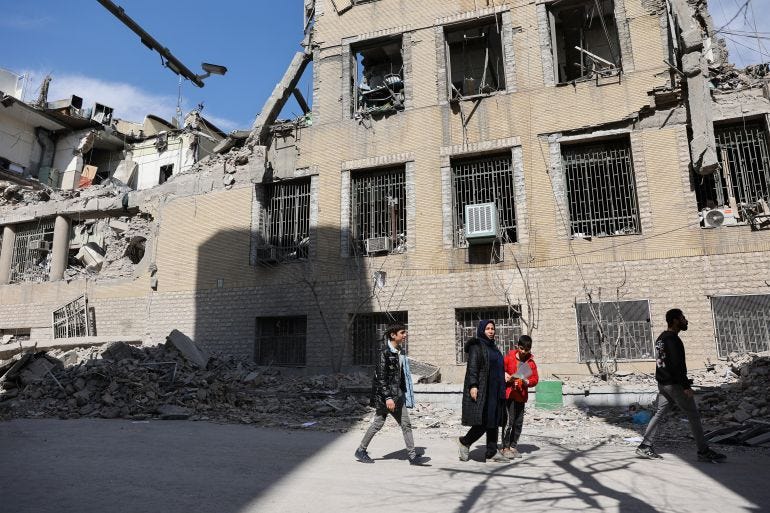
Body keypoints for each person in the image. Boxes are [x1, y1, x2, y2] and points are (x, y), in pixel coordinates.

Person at [636, 309, 726, 462]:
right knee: (693, 415)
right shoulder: (672, 340)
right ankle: (703, 452)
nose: (686, 320)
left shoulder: (661, 338)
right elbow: (676, 365)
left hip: (663, 383)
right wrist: (685, 386)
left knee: (660, 413)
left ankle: (645, 446)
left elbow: (663, 363)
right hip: (674, 385)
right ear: (676, 320)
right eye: (683, 318)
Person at [355, 324, 428, 465]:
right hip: (386, 397)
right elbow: (381, 378)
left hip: (398, 395)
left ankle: (412, 456)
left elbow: (400, 375)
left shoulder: (400, 351)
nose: (405, 335)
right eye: (402, 332)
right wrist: (388, 397)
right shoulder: (385, 353)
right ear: (393, 335)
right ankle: (361, 450)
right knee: (378, 424)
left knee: (406, 424)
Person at [456, 319, 509, 463]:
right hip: (484, 389)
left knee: (494, 420)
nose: (491, 331)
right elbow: (472, 367)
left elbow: (497, 366)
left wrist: (504, 375)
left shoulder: (494, 348)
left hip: (496, 390)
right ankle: (465, 442)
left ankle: (492, 451)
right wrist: (473, 385)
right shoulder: (477, 346)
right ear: (481, 330)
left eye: (492, 328)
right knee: (484, 421)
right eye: (488, 329)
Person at [501, 334, 539, 459]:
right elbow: (501, 369)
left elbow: (535, 379)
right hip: (509, 394)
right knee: (509, 421)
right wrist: (506, 375)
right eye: (521, 348)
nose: (523, 352)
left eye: (526, 350)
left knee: (518, 422)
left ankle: (513, 446)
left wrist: (527, 381)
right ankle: (505, 447)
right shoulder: (509, 357)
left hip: (521, 396)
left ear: (530, 349)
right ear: (517, 346)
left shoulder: (531, 363)